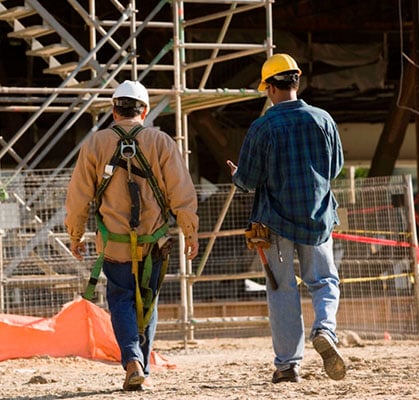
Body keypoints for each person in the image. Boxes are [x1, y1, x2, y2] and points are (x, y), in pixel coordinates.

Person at [65, 80, 199, 391]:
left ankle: (132, 361)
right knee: (147, 301)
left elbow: (79, 196)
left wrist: (76, 234)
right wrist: (190, 231)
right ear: (145, 110)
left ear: (114, 111)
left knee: (122, 298)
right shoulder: (161, 142)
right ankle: (142, 365)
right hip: (153, 243)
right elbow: (181, 190)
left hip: (114, 244)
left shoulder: (96, 144)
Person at [226, 53, 346, 383]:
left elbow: (248, 181)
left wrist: (238, 176)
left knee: (283, 291)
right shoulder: (323, 120)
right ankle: (325, 330)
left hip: (275, 223)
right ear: (297, 81)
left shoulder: (262, 127)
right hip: (319, 220)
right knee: (323, 281)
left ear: (269, 89)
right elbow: (334, 169)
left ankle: (287, 365)